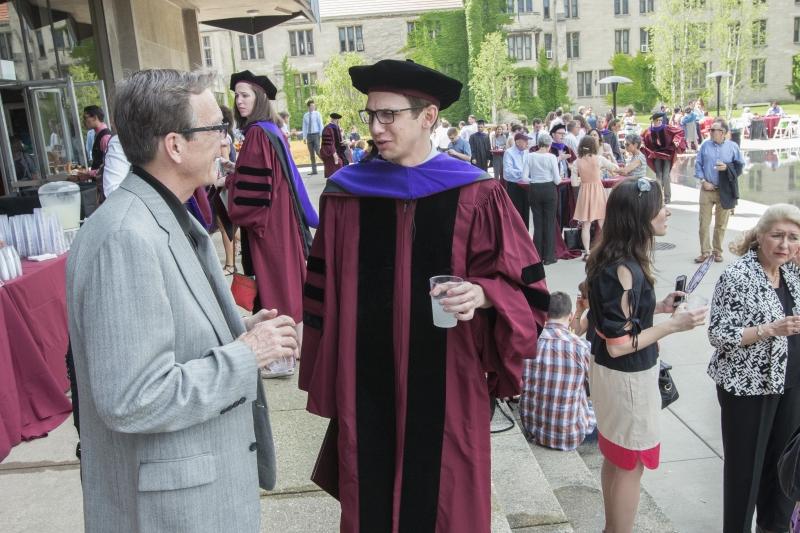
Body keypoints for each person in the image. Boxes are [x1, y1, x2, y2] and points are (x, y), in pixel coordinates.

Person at [299, 58, 550, 533]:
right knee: (369, 489)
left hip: (448, 378)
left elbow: (529, 286)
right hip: (365, 377)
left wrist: (484, 293)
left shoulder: (477, 193)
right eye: (370, 115)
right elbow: (321, 293)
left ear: (428, 117)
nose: (375, 126)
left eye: (388, 114)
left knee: (445, 498)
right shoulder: (345, 194)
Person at [66, 68, 299, 533]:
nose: (227, 140)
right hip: (171, 511)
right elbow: (132, 398)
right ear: (175, 145)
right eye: (217, 129)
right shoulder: (126, 238)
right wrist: (245, 355)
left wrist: (237, 325)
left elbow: (172, 315)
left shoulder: (163, 213)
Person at [586, 177, 707, 533]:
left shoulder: (609, 257)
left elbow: (614, 321)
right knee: (630, 464)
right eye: (661, 204)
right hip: (628, 381)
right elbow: (620, 343)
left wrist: (656, 309)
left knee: (616, 455)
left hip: (609, 376)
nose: (667, 211)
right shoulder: (625, 268)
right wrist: (675, 325)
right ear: (640, 215)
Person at [707, 204, 800, 533]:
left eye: (792, 237)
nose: (784, 244)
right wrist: (769, 329)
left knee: (784, 471)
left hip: (790, 385)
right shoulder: (737, 276)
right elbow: (718, 335)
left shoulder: (791, 272)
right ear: (759, 236)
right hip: (748, 389)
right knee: (746, 474)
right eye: (777, 235)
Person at [226, 70, 319, 377]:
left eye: (245, 95)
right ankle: (299, 348)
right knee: (290, 283)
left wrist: (229, 181)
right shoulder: (271, 129)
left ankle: (281, 360)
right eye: (237, 95)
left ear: (259, 98)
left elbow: (253, 192)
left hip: (268, 225)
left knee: (275, 288)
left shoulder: (255, 134)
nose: (239, 101)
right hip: (283, 219)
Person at [520, 291, 596, 450]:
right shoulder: (581, 347)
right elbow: (598, 387)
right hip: (568, 436)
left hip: (532, 429)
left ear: (544, 314)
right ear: (570, 316)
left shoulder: (528, 341)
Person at [695, 118, 745, 263]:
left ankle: (717, 252)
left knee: (721, 224)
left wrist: (727, 168)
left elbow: (740, 167)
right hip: (707, 190)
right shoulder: (705, 145)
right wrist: (703, 181)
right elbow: (698, 165)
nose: (709, 132)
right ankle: (705, 252)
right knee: (703, 223)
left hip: (725, 191)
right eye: (710, 130)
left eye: (713, 130)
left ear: (722, 132)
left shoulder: (733, 147)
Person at [573, 135, 615, 260]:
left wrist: (582, 180)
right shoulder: (599, 159)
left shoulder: (576, 162)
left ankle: (587, 252)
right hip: (598, 190)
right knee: (603, 222)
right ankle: (609, 248)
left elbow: (574, 183)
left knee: (586, 224)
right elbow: (614, 167)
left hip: (585, 192)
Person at [523, 133, 560, 265]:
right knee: (549, 223)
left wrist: (535, 180)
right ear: (549, 145)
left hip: (535, 189)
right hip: (549, 189)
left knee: (538, 224)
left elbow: (524, 177)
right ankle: (549, 257)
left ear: (538, 144)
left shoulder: (529, 156)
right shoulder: (551, 157)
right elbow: (557, 179)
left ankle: (537, 256)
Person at [642, 111, 685, 204]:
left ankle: (667, 197)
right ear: (654, 121)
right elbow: (642, 138)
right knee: (659, 175)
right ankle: (659, 197)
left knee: (665, 176)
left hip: (667, 154)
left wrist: (676, 141)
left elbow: (679, 131)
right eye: (658, 120)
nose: (660, 122)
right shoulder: (649, 131)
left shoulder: (666, 128)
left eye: (661, 120)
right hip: (656, 155)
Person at [503, 132, 531, 227]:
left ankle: (525, 235)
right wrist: (523, 173)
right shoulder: (509, 152)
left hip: (526, 186)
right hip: (514, 186)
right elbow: (508, 171)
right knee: (515, 212)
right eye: (525, 141)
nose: (527, 143)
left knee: (526, 212)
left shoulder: (527, 152)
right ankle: (515, 236)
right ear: (518, 142)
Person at [320, 112, 348, 178]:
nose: (337, 121)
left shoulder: (336, 127)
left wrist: (343, 142)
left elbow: (337, 141)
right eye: (336, 120)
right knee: (335, 167)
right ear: (332, 119)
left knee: (341, 165)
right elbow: (328, 143)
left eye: (338, 120)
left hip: (338, 151)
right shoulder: (328, 128)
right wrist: (334, 153)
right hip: (331, 153)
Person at [302, 99, 323, 175]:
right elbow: (304, 127)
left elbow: (320, 124)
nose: (313, 107)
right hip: (309, 136)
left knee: (317, 151)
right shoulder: (305, 116)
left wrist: (321, 134)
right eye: (311, 106)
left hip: (316, 134)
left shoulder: (317, 114)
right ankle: (314, 170)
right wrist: (304, 137)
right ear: (308, 107)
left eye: (314, 106)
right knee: (311, 154)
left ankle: (327, 163)